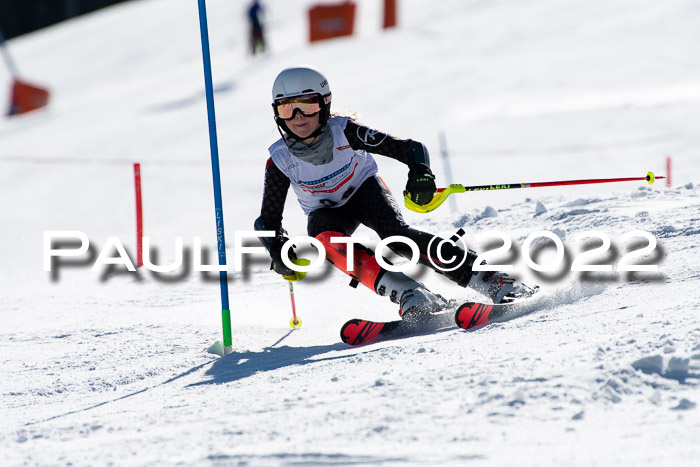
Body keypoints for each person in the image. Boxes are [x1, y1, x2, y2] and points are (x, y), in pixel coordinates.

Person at [254, 66, 536, 318]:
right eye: (287, 108)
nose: (298, 116)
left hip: (364, 190)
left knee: (398, 239)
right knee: (325, 242)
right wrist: (277, 248)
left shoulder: (346, 132)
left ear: (325, 104)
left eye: (307, 105)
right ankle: (413, 295)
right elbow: (267, 220)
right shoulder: (280, 160)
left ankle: (494, 279)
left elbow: (410, 148)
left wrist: (420, 174)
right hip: (325, 211)